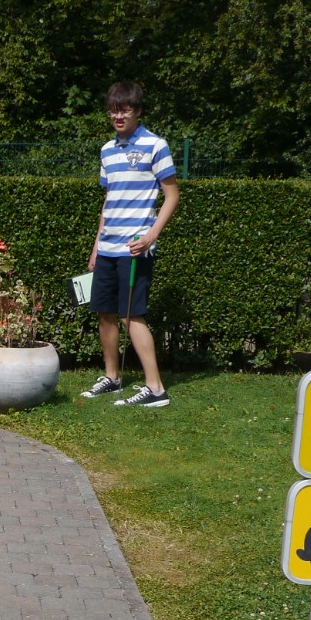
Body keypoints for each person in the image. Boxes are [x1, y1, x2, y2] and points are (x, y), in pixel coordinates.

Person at [81, 80, 180, 408]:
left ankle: (156, 388)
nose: (118, 116)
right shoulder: (107, 150)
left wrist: (151, 236)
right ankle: (112, 377)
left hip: (135, 248)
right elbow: (109, 201)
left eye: (124, 110)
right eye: (113, 110)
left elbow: (172, 196)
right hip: (107, 248)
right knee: (105, 313)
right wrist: (96, 246)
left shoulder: (155, 145)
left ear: (138, 111)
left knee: (131, 315)